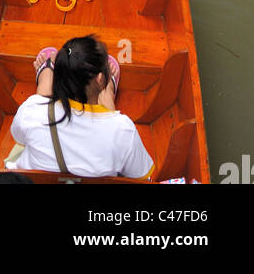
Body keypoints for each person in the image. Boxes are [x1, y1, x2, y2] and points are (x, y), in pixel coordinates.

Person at [10, 36, 153, 179]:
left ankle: (45, 83)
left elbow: (20, 140)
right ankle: (106, 95)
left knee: (39, 111)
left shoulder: (31, 110)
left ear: (58, 78)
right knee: (112, 128)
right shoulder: (123, 130)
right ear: (100, 79)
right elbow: (140, 176)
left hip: (34, 180)